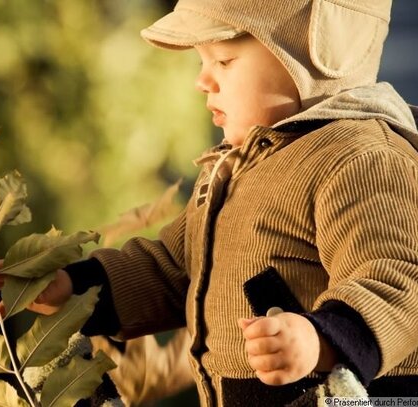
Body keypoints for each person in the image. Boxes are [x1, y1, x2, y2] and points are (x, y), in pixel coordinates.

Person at [23, 0, 418, 405]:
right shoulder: (237, 169)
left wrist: (322, 339)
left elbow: (399, 277)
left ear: (322, 56)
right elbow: (174, 269)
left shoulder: (359, 158)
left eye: (225, 61)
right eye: (201, 63)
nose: (203, 81)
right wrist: (76, 289)